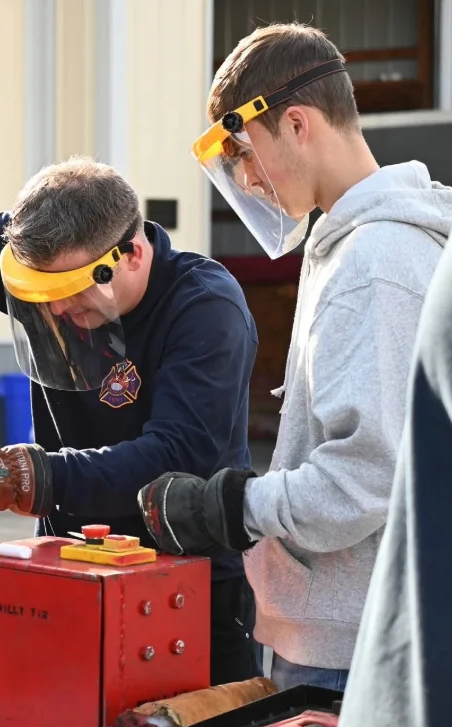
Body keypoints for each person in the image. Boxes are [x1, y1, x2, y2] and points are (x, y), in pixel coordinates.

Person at [0, 156, 264, 686]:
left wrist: (19, 476)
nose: (54, 312)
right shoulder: (45, 264)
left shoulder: (205, 308)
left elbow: (178, 456)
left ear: (132, 254)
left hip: (187, 583)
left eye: (70, 293)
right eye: (38, 296)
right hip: (66, 565)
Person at [137, 23, 452, 692]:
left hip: (357, 651)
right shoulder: (355, 244)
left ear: (300, 124)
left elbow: (362, 479)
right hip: (364, 631)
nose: (246, 180)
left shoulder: (376, 262)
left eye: (245, 153)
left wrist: (234, 507)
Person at [333, 238, 452, 727]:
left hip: (399, 707)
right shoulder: (364, 256)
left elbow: (365, 475)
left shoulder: (376, 261)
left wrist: (244, 504)